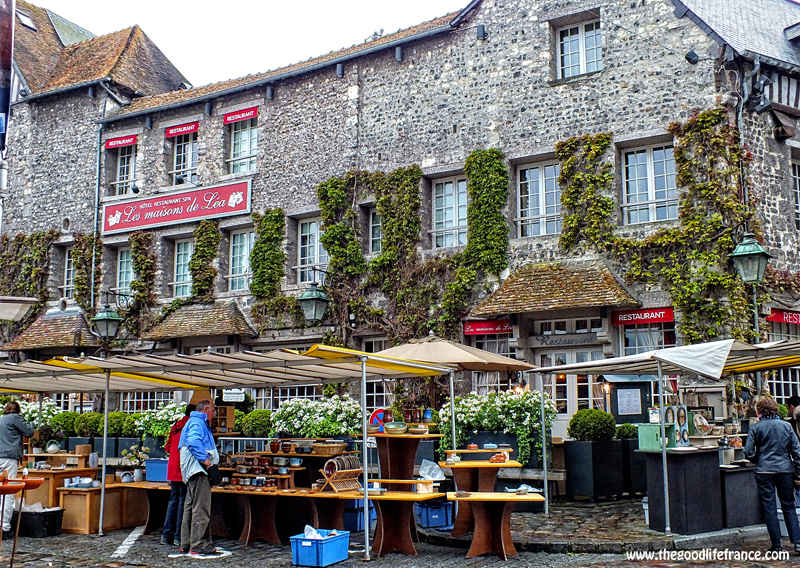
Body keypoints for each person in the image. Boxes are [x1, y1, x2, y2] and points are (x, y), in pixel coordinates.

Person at [745, 397, 800, 554]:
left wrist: (759, 459)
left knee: (769, 508)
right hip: (785, 470)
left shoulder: (756, 428)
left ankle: (776, 545)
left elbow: (748, 452)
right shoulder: (786, 427)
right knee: (789, 505)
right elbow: (797, 452)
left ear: (760, 411)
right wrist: (798, 473)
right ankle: (797, 542)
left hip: (764, 471)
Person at [178, 400, 220, 558]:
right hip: (198, 470)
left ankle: (187, 544)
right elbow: (193, 441)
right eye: (213, 410)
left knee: (190, 508)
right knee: (201, 509)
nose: (214, 414)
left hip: (191, 471)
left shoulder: (193, 421)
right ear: (206, 409)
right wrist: (206, 460)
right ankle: (198, 545)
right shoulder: (197, 422)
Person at [161, 403, 195, 546]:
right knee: (183, 501)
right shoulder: (192, 426)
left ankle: (166, 535)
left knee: (173, 501)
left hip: (172, 467)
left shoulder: (176, 425)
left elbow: (168, 447)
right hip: (183, 467)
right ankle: (179, 536)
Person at [0, 401, 34, 538]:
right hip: (9, 458)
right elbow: (29, 432)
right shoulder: (15, 418)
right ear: (17, 410)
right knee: (9, 492)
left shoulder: (1, 419)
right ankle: (5, 526)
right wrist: (31, 423)